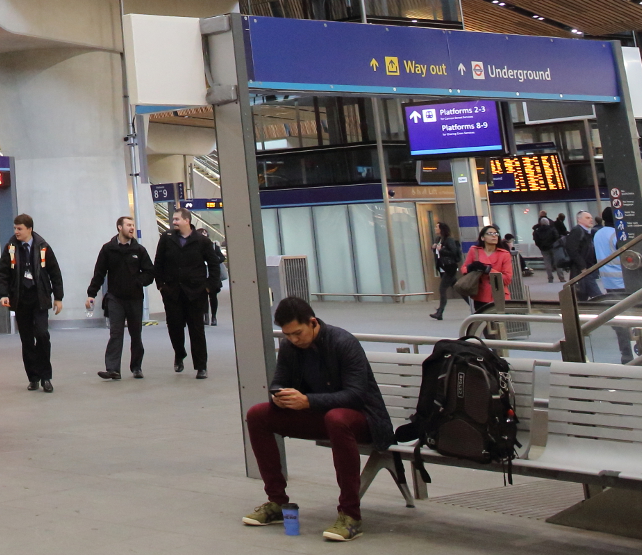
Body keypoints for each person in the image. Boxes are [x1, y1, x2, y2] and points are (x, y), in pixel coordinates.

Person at [242, 297, 393, 543]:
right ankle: (277, 502)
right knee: (257, 415)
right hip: (321, 416)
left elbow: (356, 395)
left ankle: (350, 515)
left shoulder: (343, 343)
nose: (293, 339)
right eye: (287, 335)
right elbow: (279, 381)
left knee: (337, 418)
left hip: (363, 420)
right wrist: (280, 396)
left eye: (297, 333)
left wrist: (309, 401)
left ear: (313, 323)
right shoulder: (290, 347)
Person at [0, 213, 64, 391]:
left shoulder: (43, 246)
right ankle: (33, 377)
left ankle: (46, 377)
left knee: (42, 335)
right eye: (15, 228)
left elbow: (54, 272)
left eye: (20, 229)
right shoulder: (10, 247)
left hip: (39, 298)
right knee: (26, 340)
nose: (16, 232)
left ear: (29, 229)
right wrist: (3, 294)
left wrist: (58, 297)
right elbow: (2, 272)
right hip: (20, 299)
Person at [154, 207, 223, 378]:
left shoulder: (202, 241)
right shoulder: (167, 239)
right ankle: (179, 354)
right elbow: (158, 263)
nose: (174, 222)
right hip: (172, 292)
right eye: (173, 219)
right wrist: (161, 285)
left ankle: (201, 366)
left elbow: (214, 266)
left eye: (177, 219)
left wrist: (208, 287)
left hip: (195, 293)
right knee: (175, 327)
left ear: (187, 221)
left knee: (197, 330)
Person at [85, 215, 154, 380]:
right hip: (115, 298)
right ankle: (113, 369)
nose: (131, 228)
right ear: (119, 227)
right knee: (116, 333)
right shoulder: (108, 249)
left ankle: (136, 367)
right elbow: (99, 273)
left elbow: (150, 272)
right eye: (128, 225)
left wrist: (139, 282)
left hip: (135, 298)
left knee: (135, 333)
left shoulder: (139, 250)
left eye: (133, 225)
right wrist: (91, 294)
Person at [591, 209, 637, 364]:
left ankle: (625, 353)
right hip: (624, 281)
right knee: (632, 316)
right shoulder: (617, 235)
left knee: (619, 320)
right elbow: (629, 257)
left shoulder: (598, 234)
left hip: (608, 282)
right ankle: (636, 351)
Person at [459, 225, 514, 314]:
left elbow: (507, 279)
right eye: (490, 233)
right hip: (480, 295)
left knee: (499, 325)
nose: (494, 236)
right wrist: (471, 267)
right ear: (482, 238)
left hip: (499, 295)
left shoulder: (504, 254)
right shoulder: (474, 251)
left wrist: (488, 270)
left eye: (496, 233)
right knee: (484, 325)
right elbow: (463, 269)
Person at [429, 223, 461, 321]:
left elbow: (453, 252)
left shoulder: (449, 240)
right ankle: (474, 306)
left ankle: (440, 312)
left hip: (449, 267)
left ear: (442, 229)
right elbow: (438, 254)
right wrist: (434, 249)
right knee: (459, 288)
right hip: (442, 267)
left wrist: (441, 250)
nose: (435, 228)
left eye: (437, 227)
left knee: (442, 289)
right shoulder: (438, 239)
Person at [531, 214, 560, 280]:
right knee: (557, 262)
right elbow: (556, 237)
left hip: (544, 248)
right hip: (553, 248)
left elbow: (536, 240)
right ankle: (561, 277)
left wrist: (540, 246)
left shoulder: (537, 231)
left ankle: (550, 277)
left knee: (547, 263)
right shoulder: (552, 229)